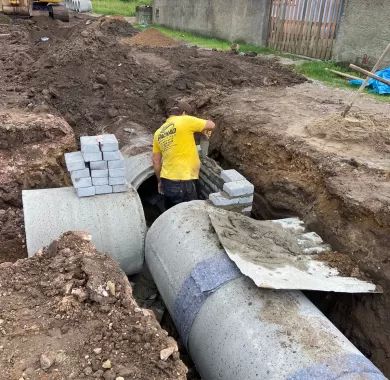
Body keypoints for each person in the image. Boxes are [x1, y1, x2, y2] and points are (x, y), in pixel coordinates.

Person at [152, 101, 216, 210]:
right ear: (184, 113)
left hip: (167, 182)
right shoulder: (185, 120)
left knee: (172, 213)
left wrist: (159, 181)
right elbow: (211, 125)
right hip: (184, 181)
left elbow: (156, 162)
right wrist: (203, 129)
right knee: (189, 214)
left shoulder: (158, 133)